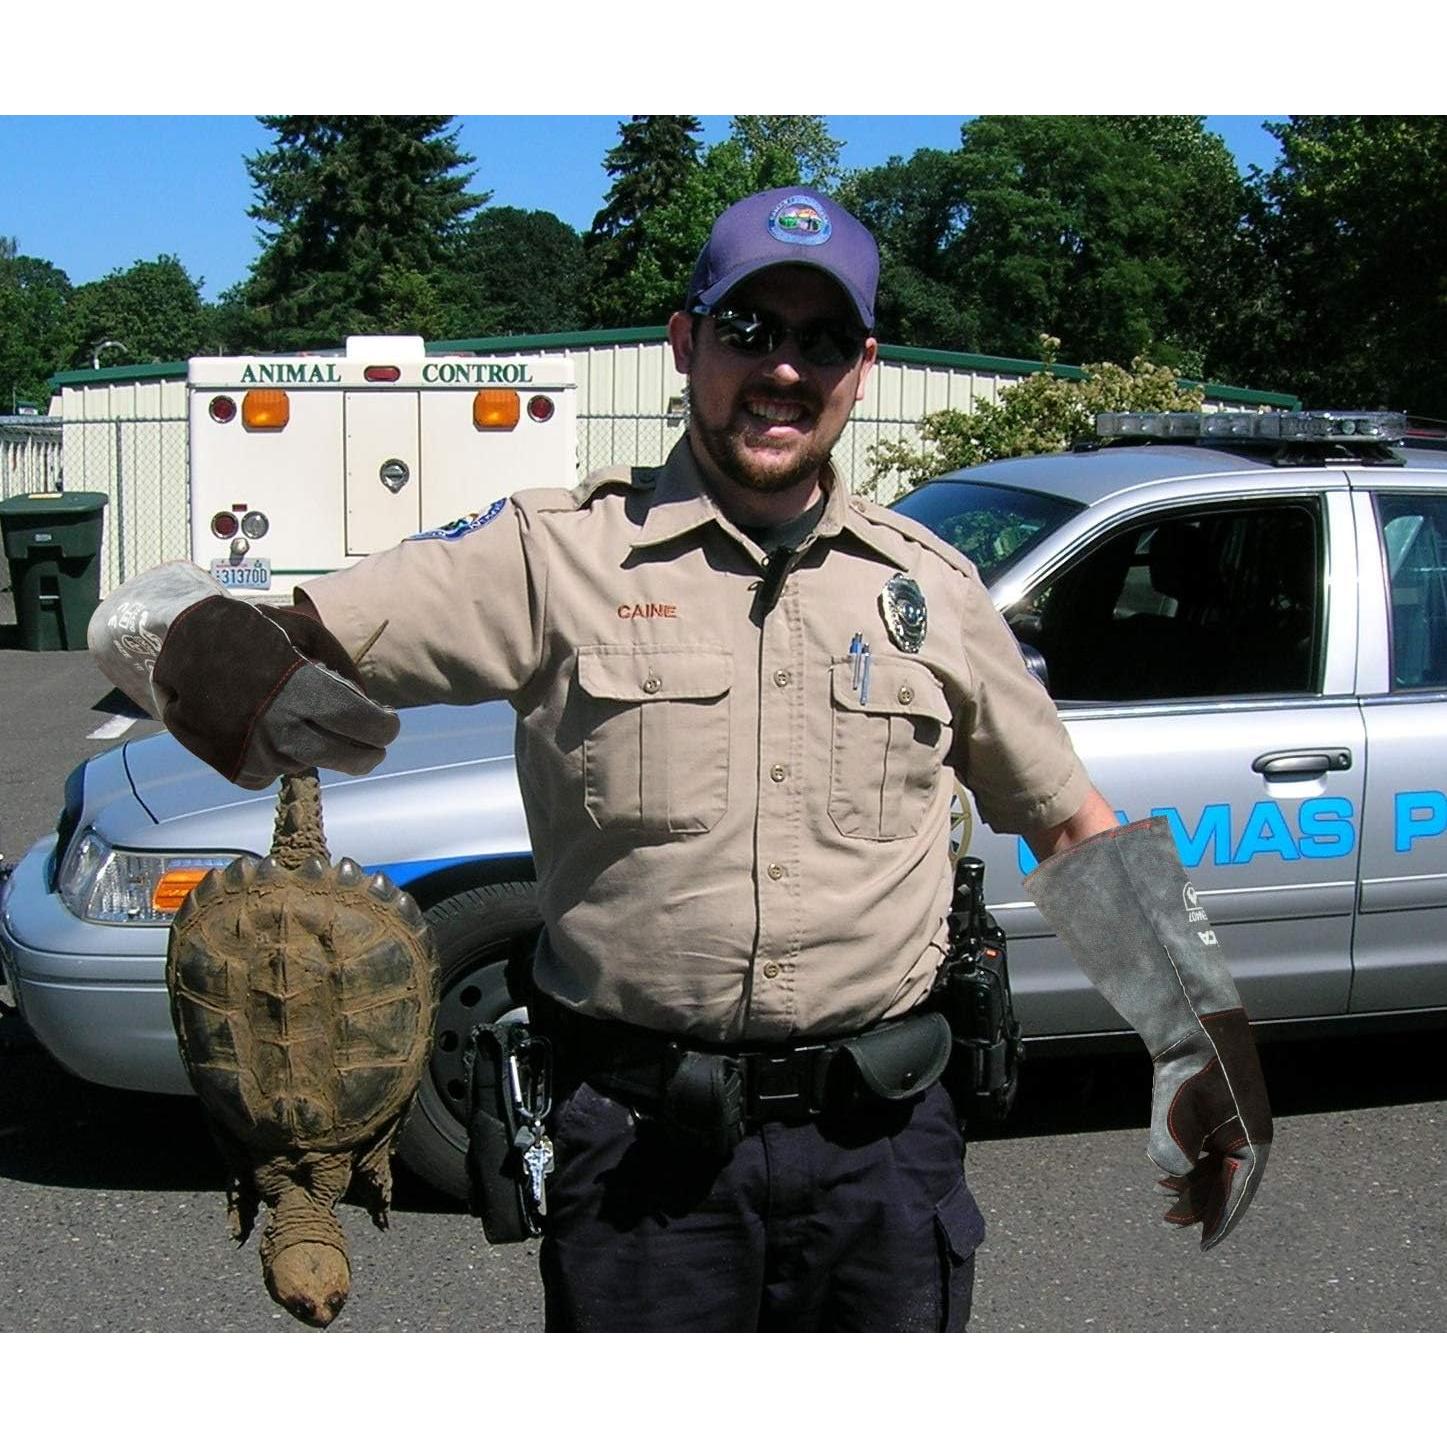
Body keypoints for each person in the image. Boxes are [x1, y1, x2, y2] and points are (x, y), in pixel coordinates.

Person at [89, 186, 1271, 1332]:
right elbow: (255, 631)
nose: (784, 369)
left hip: (884, 1162)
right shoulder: (553, 558)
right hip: (641, 1164)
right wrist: (195, 650)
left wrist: (1203, 1047)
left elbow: (1070, 823)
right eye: (750, 328)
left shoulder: (932, 589)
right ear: (684, 342)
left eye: (822, 339)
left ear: (862, 366)